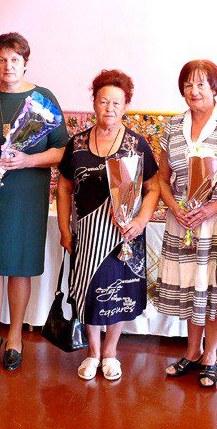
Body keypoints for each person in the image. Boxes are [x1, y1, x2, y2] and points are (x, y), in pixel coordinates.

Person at [0, 32, 69, 371]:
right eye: (2, 59)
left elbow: (62, 151)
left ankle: (15, 337)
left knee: (20, 266)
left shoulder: (43, 98)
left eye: (15, 59)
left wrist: (28, 160)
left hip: (26, 197)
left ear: (25, 63)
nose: (8, 65)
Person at [57, 69, 160, 380]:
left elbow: (153, 187)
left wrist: (141, 220)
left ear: (125, 106)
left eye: (117, 102)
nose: (110, 108)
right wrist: (64, 229)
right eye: (104, 101)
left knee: (118, 294)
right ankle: (92, 352)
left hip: (123, 236)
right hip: (87, 234)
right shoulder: (76, 144)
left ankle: (111, 353)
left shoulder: (137, 145)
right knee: (88, 292)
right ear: (94, 103)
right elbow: (63, 187)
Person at [157, 60, 217, 387]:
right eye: (188, 85)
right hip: (182, 222)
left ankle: (210, 355)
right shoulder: (173, 126)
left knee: (214, 290)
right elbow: (162, 178)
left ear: (214, 87)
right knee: (190, 288)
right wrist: (176, 208)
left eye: (201, 84)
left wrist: (212, 208)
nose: (194, 91)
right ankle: (191, 351)